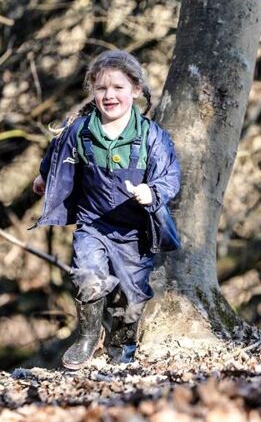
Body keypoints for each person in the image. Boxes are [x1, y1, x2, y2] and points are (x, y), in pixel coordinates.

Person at [32, 50, 180, 369]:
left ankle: (120, 351)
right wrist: (44, 176)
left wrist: (151, 191)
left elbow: (171, 177)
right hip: (94, 226)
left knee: (131, 297)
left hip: (136, 233)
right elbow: (56, 153)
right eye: (101, 89)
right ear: (92, 92)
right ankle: (87, 336)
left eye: (118, 88)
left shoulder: (151, 137)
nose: (109, 95)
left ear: (136, 90)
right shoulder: (81, 131)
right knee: (89, 277)